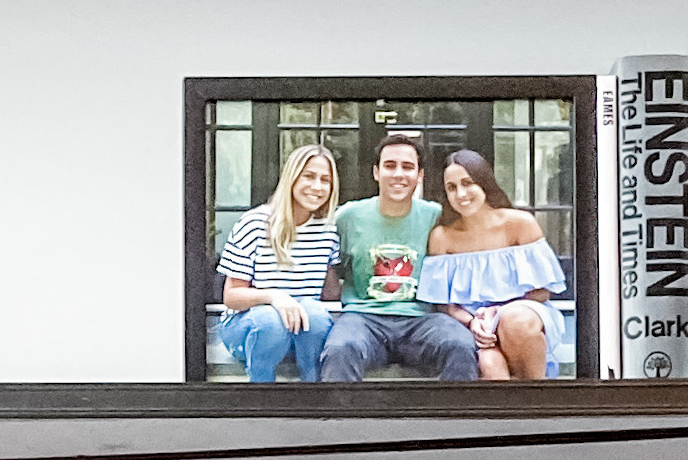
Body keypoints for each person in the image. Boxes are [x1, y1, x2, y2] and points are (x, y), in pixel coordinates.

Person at [319, 131, 480, 383]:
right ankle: (341, 421)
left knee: (459, 344)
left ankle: (452, 421)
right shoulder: (348, 217)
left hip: (423, 320)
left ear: (420, 175)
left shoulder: (436, 216)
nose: (398, 174)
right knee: (340, 348)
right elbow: (325, 261)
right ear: (376, 172)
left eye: (407, 167)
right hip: (363, 318)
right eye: (389, 166)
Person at [420, 149, 562, 381]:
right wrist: (473, 321)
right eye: (452, 187)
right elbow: (445, 305)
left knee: (515, 321)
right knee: (490, 366)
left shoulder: (520, 223)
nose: (461, 194)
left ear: (484, 182)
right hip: (475, 326)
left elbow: (542, 291)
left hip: (523, 312)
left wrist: (498, 312)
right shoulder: (442, 237)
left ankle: (538, 400)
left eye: (468, 183)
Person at [214, 143, 342, 384]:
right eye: (309, 176)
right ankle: (262, 397)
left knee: (315, 314)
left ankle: (312, 395)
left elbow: (329, 292)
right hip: (249, 326)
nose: (317, 187)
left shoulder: (328, 230)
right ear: (292, 178)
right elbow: (231, 297)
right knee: (270, 322)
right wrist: (275, 297)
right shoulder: (254, 224)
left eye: (325, 180)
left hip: (301, 329)